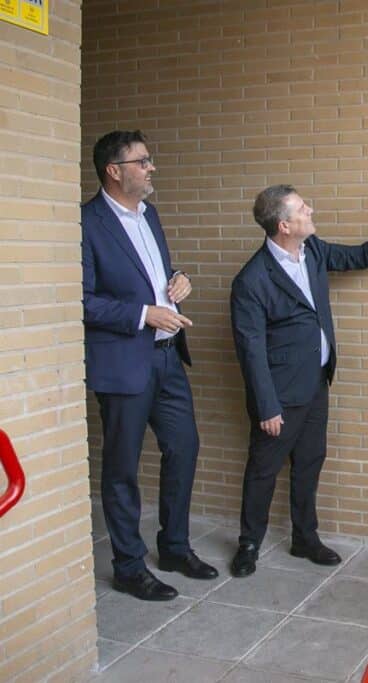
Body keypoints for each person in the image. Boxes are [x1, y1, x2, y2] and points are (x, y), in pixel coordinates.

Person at [229, 185, 368, 577]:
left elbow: (356, 257)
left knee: (310, 462)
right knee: (264, 469)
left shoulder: (313, 250)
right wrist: (267, 406)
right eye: (302, 208)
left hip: (316, 383)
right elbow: (251, 350)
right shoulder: (252, 280)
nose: (311, 209)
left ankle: (305, 537)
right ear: (284, 225)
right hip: (280, 394)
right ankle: (249, 543)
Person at [82, 130, 217, 601]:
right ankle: (128, 566)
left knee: (185, 447)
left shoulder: (149, 214)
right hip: (124, 365)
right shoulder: (86, 223)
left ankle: (175, 547)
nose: (151, 168)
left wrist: (176, 280)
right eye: (142, 162)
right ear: (114, 171)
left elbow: (152, 274)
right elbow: (82, 299)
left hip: (168, 358)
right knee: (121, 468)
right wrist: (143, 315)